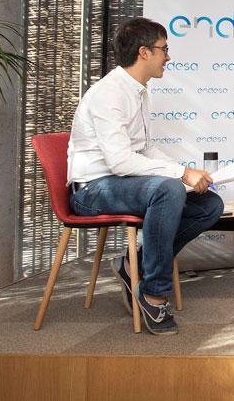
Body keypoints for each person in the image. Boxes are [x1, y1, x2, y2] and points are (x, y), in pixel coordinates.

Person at [67, 17, 224, 335]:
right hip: (92, 189)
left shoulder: (139, 92)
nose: (168, 56)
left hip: (120, 183)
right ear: (144, 52)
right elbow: (121, 162)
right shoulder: (108, 95)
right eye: (164, 49)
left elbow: (146, 150)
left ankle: (133, 264)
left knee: (209, 205)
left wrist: (188, 176)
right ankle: (153, 294)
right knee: (168, 190)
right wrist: (180, 174)